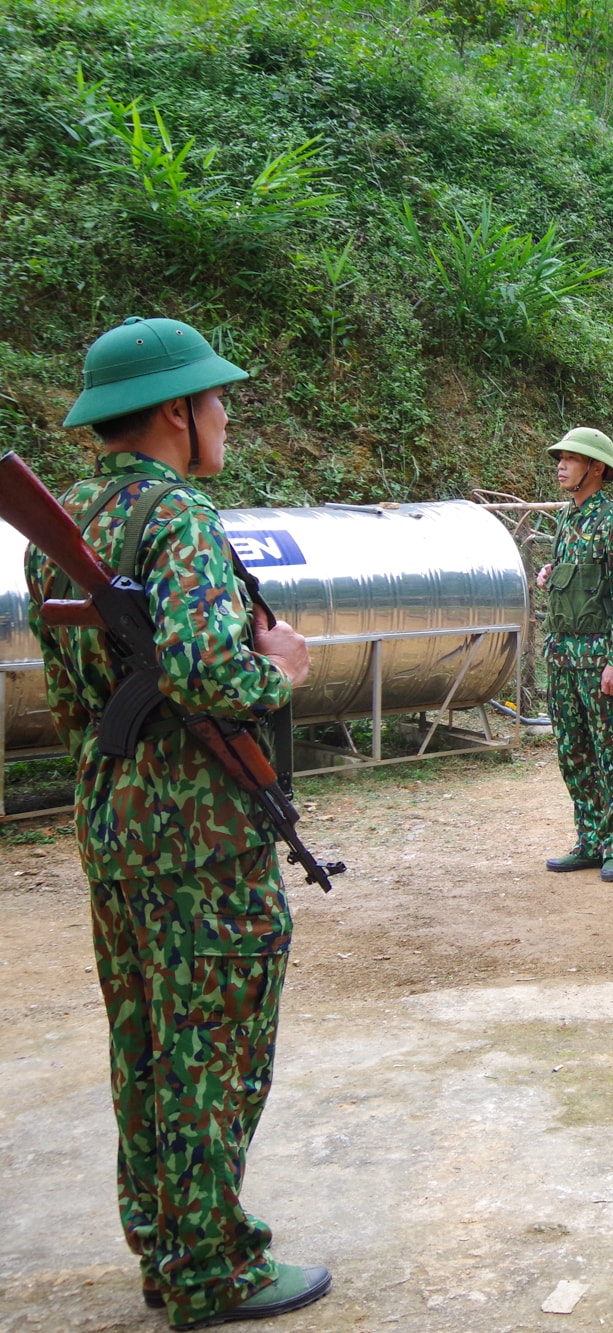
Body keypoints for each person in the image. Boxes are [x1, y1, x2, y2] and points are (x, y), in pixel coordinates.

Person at [31, 317, 327, 1327]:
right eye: (216, 398)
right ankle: (211, 1267)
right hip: (197, 839)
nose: (227, 412)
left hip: (116, 830)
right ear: (175, 413)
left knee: (149, 1046)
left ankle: (164, 1238)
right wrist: (280, 670)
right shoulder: (177, 517)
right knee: (212, 1045)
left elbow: (83, 685)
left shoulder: (72, 520)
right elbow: (204, 671)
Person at [537, 427, 613, 883]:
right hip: (562, 656)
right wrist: (551, 574)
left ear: (596, 468)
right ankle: (590, 838)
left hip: (599, 659)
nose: (561, 464)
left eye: (571, 458)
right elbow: (577, 579)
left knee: (611, 753)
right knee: (573, 751)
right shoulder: (566, 518)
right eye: (559, 458)